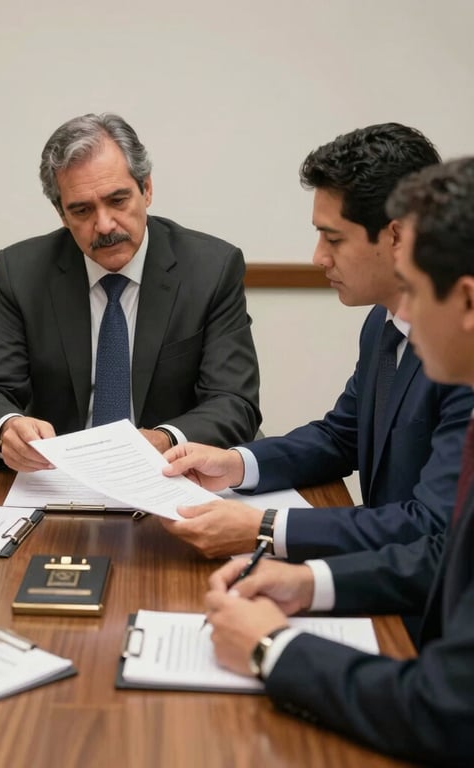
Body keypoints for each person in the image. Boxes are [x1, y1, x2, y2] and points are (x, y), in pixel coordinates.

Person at [203, 157, 474, 764]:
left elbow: (447, 711)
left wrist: (270, 647)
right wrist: (308, 582)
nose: (405, 312)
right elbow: (345, 438)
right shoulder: (390, 326)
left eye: (416, 288)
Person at [160, 123, 474, 561]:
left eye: (333, 238)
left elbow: (432, 526)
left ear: (397, 236)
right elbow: (340, 437)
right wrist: (234, 465)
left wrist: (266, 528)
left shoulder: (460, 351)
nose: (318, 258)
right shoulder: (380, 324)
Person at [0, 112, 261, 472]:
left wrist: (164, 438)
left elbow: (234, 402)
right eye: (82, 210)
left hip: (168, 478)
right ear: (61, 213)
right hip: (58, 484)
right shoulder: (23, 272)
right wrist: (7, 428)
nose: (104, 225)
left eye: (118, 201)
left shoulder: (211, 269)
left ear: (146, 189)